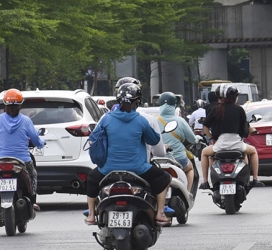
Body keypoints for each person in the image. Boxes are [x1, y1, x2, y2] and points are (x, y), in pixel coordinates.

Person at [84, 81, 171, 226]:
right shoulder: (141, 121)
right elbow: (155, 140)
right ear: (137, 102)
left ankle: (91, 214)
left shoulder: (106, 118)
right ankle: (160, 213)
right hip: (139, 169)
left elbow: (93, 138)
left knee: (91, 179)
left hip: (108, 169)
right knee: (165, 178)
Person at [0, 89, 44, 208]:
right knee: (33, 175)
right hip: (23, 161)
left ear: (5, 105)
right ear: (20, 105)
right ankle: (32, 201)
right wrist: (41, 143)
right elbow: (36, 140)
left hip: (1, 160)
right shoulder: (26, 121)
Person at [198, 85, 264, 190]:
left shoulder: (216, 109)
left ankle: (205, 182)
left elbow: (205, 126)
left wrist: (211, 138)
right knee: (253, 151)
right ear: (235, 97)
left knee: (204, 153)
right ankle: (255, 179)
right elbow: (245, 128)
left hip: (220, 145)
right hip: (237, 145)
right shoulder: (239, 109)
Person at [156, 92, 198, 193]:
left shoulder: (154, 120)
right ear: (174, 106)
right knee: (190, 169)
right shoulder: (180, 121)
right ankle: (187, 194)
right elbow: (192, 139)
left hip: (158, 159)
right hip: (179, 158)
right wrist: (196, 139)